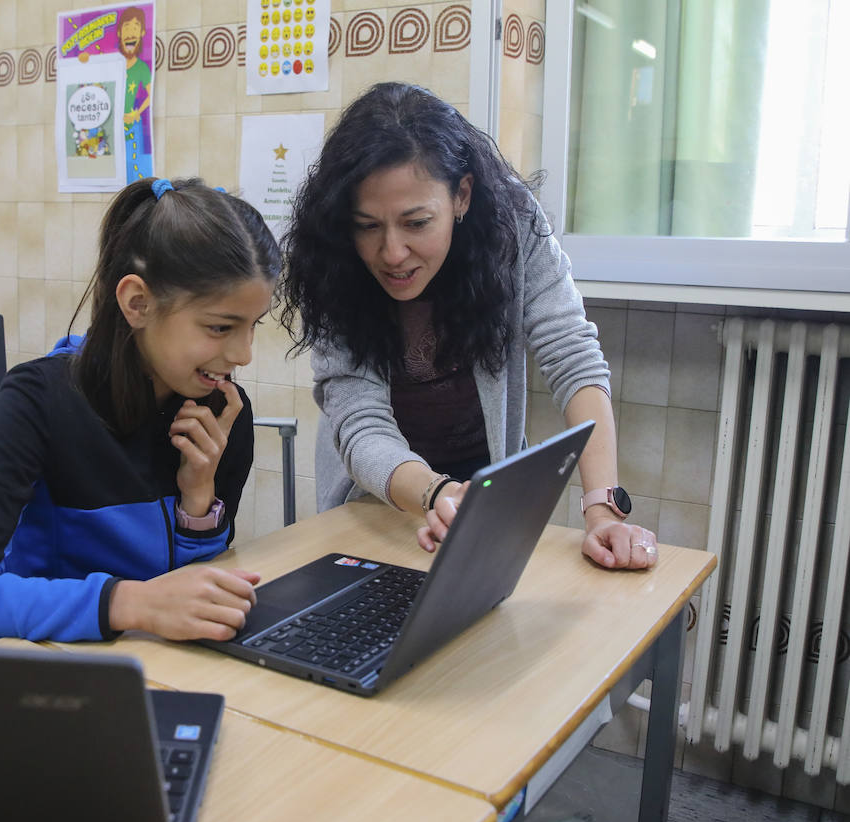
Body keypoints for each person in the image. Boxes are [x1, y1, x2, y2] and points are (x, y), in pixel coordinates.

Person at [280, 82, 658, 570]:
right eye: (368, 226)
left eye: (416, 223)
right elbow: (359, 422)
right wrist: (435, 493)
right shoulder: (331, 256)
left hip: (484, 491)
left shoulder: (512, 224)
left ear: (462, 195)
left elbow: (572, 355)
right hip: (380, 497)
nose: (392, 253)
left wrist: (603, 510)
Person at [0, 177, 278, 643]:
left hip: (159, 667)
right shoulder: (39, 400)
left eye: (254, 326)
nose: (243, 354)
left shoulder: (223, 410)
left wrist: (198, 505)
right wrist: (129, 603)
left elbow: (191, 593)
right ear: (137, 303)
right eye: (220, 326)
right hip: (57, 673)